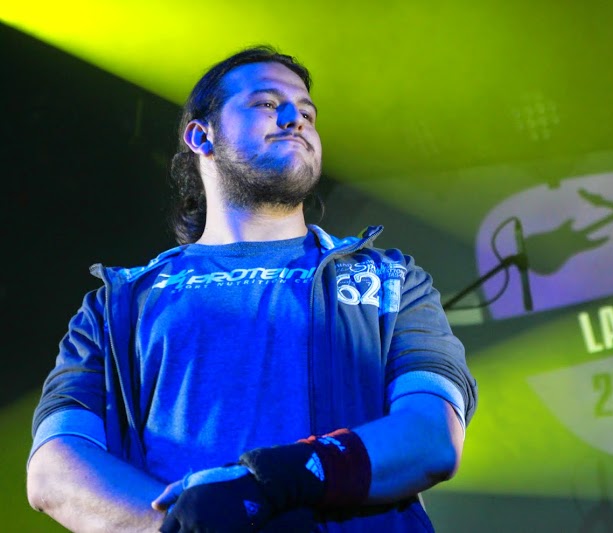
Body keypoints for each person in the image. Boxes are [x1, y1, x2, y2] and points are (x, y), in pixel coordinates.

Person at [26, 45, 477, 532]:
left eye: (307, 112)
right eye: (266, 103)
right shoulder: (118, 305)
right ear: (202, 135)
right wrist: (184, 525)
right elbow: (54, 470)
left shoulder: (390, 279)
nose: (295, 119)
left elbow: (431, 436)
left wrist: (268, 483)